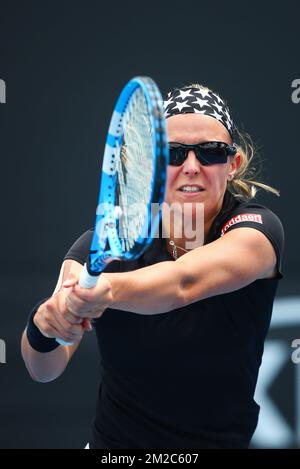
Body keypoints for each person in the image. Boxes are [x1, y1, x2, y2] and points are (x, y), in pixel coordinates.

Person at [21, 83, 284, 449]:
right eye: (173, 154)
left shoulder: (256, 231)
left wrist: (108, 291)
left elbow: (184, 283)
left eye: (211, 153)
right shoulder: (100, 246)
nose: (192, 167)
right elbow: (44, 369)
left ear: (233, 164)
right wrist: (45, 325)